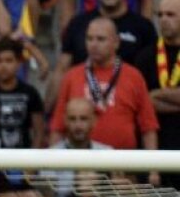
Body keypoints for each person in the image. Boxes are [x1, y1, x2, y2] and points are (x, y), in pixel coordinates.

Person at [51, 16, 160, 153]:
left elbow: (148, 127)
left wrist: (153, 171)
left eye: (100, 39)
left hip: (123, 164)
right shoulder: (71, 76)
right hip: (80, 163)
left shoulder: (134, 76)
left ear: (116, 43)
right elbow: (58, 126)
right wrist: (53, 168)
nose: (94, 44)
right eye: (89, 39)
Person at [52, 0, 157, 109]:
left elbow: (151, 80)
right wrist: (50, 113)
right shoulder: (77, 25)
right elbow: (62, 69)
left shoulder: (144, 29)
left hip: (129, 106)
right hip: (83, 108)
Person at [135, 0, 180, 188]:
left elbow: (150, 99)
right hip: (154, 147)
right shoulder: (145, 55)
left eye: (170, 15)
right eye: (160, 15)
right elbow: (142, 102)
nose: (163, 20)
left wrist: (155, 95)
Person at [40, 98, 112, 197]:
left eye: (83, 119)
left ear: (94, 120)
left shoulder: (108, 153)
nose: (78, 125)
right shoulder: (50, 156)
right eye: (72, 119)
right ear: (65, 120)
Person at [0, 37, 45, 149]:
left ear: (19, 63)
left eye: (9, 61)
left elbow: (39, 132)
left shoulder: (30, 93)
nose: (3, 66)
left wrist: (32, 164)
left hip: (22, 159)